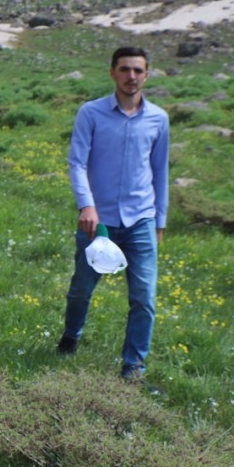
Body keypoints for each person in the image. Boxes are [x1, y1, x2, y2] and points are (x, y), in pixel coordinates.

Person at [58, 46, 170, 384]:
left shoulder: (158, 119)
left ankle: (133, 365)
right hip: (99, 222)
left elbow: (160, 171)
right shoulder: (90, 113)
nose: (131, 76)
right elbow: (77, 162)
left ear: (147, 74)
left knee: (144, 298)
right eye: (125, 69)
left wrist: (160, 221)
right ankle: (70, 336)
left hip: (141, 220)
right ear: (112, 73)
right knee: (81, 289)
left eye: (138, 70)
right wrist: (86, 205)